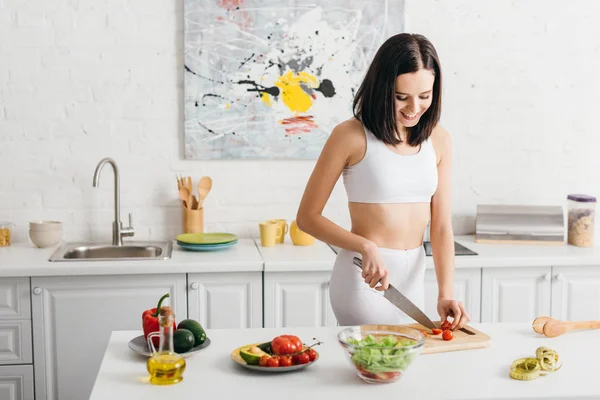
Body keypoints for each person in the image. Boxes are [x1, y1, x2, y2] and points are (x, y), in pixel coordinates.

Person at [296, 33, 470, 330]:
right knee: (371, 368)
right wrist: (365, 246)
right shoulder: (350, 136)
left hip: (415, 275)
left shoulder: (439, 140)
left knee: (406, 368)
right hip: (364, 276)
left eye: (424, 96)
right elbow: (307, 218)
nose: (414, 108)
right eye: (401, 97)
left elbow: (441, 226)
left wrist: (445, 293)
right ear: (382, 88)